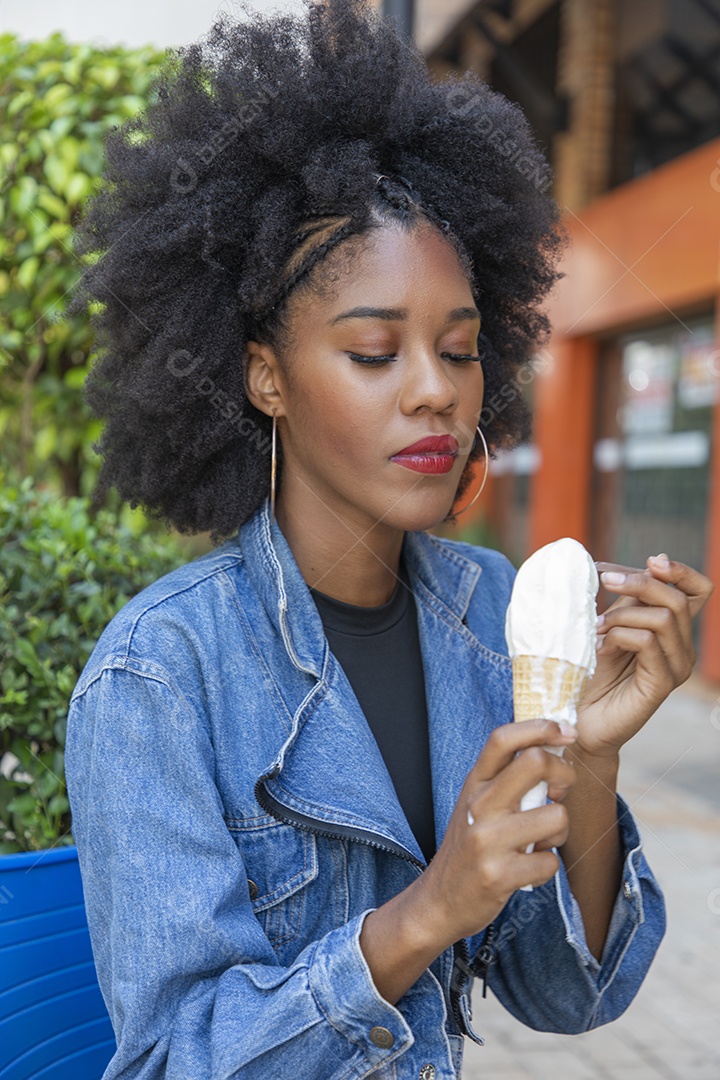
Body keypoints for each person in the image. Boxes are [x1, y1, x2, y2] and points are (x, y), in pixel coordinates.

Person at [64, 1, 713, 1077]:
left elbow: (567, 998)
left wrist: (588, 760)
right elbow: (174, 1057)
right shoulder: (162, 679)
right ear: (264, 375)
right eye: (375, 353)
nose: (436, 395)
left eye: (460, 353)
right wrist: (423, 915)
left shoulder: (482, 609)